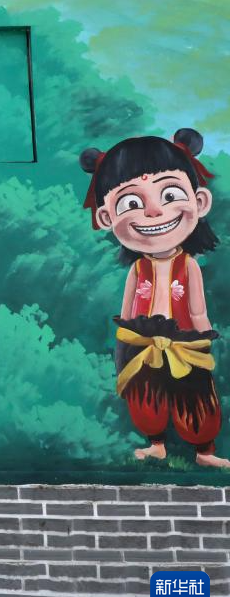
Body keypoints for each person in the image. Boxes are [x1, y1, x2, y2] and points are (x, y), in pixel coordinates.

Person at [80, 127, 228, 468]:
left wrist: (202, 340)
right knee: (145, 395)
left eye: (169, 194)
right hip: (142, 340)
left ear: (200, 202)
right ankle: (156, 444)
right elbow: (127, 307)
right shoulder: (138, 268)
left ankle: (204, 450)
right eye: (132, 203)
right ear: (106, 217)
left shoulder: (188, 265)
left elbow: (197, 309)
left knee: (195, 395)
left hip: (185, 339)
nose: (154, 211)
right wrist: (124, 340)